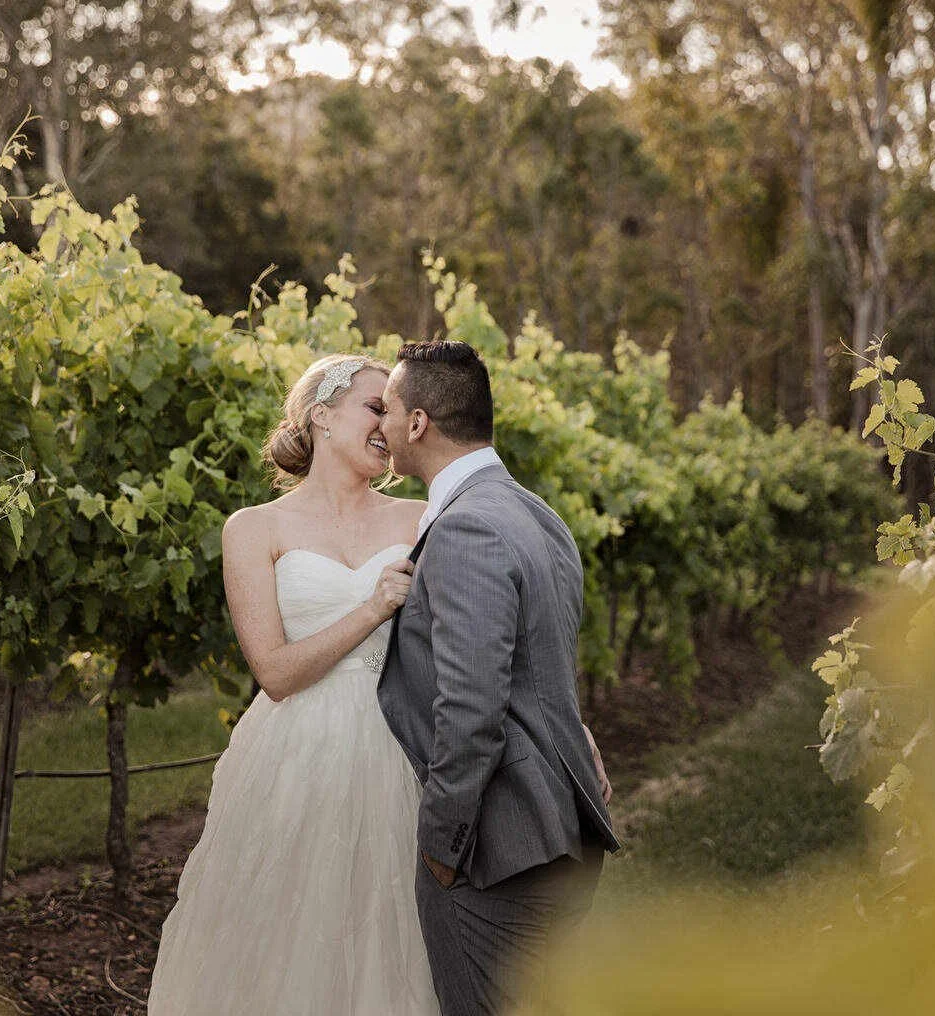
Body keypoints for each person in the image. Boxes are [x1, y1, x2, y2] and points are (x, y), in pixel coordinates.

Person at [146, 353, 440, 1014]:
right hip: (292, 757)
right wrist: (373, 608)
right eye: (376, 407)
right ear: (323, 416)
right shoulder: (254, 528)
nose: (390, 425)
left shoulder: (419, 518)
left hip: (401, 747)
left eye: (393, 412)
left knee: (385, 934)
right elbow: (274, 674)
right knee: (285, 933)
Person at [376, 339, 622, 1016]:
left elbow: (471, 708)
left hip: (503, 850)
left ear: (420, 422)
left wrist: (442, 847)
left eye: (389, 408)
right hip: (560, 832)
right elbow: (541, 671)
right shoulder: (537, 513)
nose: (382, 424)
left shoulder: (465, 529)